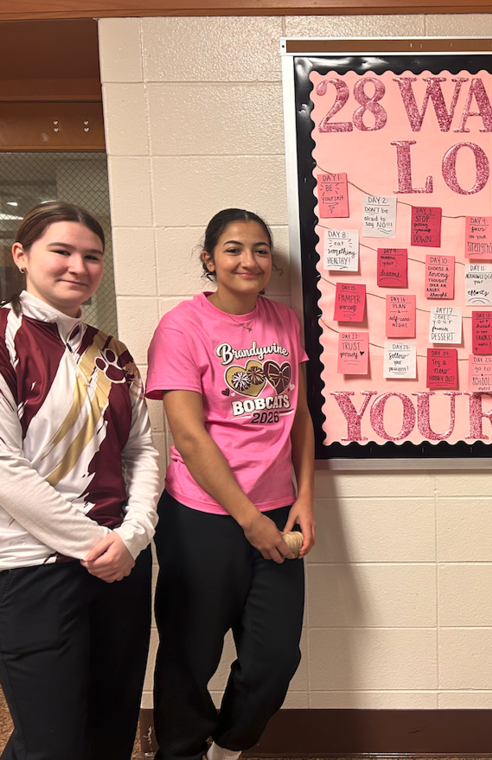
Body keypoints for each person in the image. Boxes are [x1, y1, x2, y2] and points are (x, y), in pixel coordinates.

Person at [147, 208, 315, 760]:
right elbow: (190, 437)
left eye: (261, 250)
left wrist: (304, 500)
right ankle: (180, 751)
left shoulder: (286, 321)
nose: (250, 260)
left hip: (278, 510)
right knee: (189, 656)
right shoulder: (182, 326)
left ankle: (228, 746)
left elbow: (300, 417)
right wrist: (250, 521)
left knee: (274, 658)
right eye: (234, 249)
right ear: (209, 258)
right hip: (201, 516)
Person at [0, 202, 159, 759]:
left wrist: (133, 538)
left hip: (120, 565)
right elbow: (4, 470)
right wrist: (96, 543)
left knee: (110, 729)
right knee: (51, 742)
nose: (78, 266)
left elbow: (140, 451)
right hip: (32, 567)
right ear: (22, 255)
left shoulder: (112, 353)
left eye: (92, 256)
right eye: (61, 251)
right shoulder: (2, 337)